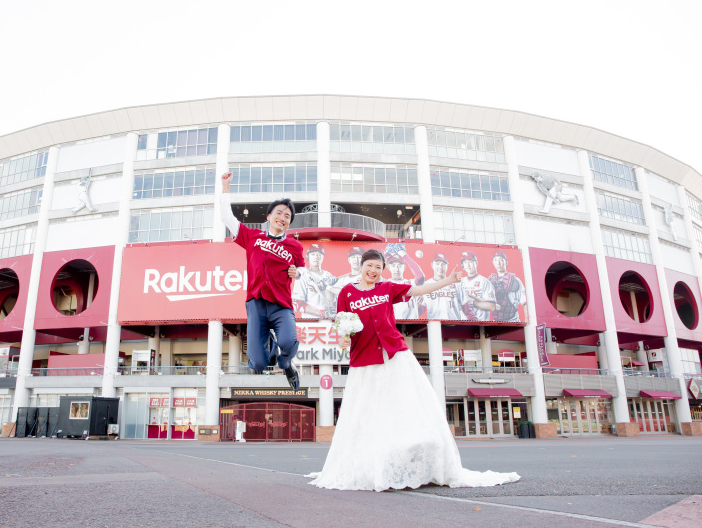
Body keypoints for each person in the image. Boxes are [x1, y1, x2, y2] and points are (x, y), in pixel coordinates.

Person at [308, 249, 520, 491]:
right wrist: (342, 339)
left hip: (394, 354)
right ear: (362, 266)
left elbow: (418, 290)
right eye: (370, 265)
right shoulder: (347, 291)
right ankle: (370, 464)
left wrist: (449, 280)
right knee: (366, 411)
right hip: (364, 358)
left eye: (378, 267)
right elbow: (342, 322)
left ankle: (411, 460)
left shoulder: (387, 288)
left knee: (406, 403)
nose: (373, 271)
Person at [220, 172, 304, 389]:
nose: (282, 218)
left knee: (288, 342)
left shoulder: (295, 246)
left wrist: (298, 272)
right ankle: (272, 347)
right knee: (258, 362)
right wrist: (225, 188)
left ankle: (286, 364)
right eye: (278, 213)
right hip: (256, 305)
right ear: (268, 216)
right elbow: (227, 218)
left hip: (281, 305)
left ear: (289, 223)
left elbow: (304, 273)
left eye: (287, 216)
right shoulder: (252, 237)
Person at [292, 243, 336, 319]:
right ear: (308, 257)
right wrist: (321, 313)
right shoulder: (303, 275)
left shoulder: (328, 275)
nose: (316, 257)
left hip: (329, 321)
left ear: (323, 257)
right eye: (313, 254)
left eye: (319, 254)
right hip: (310, 322)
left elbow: (334, 300)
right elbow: (297, 303)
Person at [384, 244, 426, 320]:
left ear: (404, 267)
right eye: (393, 265)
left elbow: (420, 277)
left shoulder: (411, 283)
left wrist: (404, 254)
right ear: (389, 267)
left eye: (399, 265)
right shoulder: (385, 285)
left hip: (411, 325)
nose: (396, 269)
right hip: (393, 325)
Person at [455, 251, 497, 322]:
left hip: (480, 323)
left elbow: (492, 307)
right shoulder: (460, 282)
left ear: (476, 263)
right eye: (465, 262)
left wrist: (473, 302)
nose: (468, 265)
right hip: (463, 323)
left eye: (470, 261)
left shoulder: (484, 281)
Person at [489, 250, 527, 323]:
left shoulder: (515, 280)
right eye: (495, 260)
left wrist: (526, 321)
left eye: (501, 260)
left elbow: (524, 302)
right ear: (493, 262)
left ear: (506, 262)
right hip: (495, 322)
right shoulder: (490, 280)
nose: (498, 263)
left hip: (512, 320)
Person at [421, 252, 461, 320]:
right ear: (432, 265)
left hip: (454, 324)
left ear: (447, 266)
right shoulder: (426, 285)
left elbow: (465, 306)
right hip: (435, 325)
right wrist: (417, 306)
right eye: (437, 264)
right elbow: (421, 311)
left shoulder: (456, 283)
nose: (440, 267)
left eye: (443, 264)